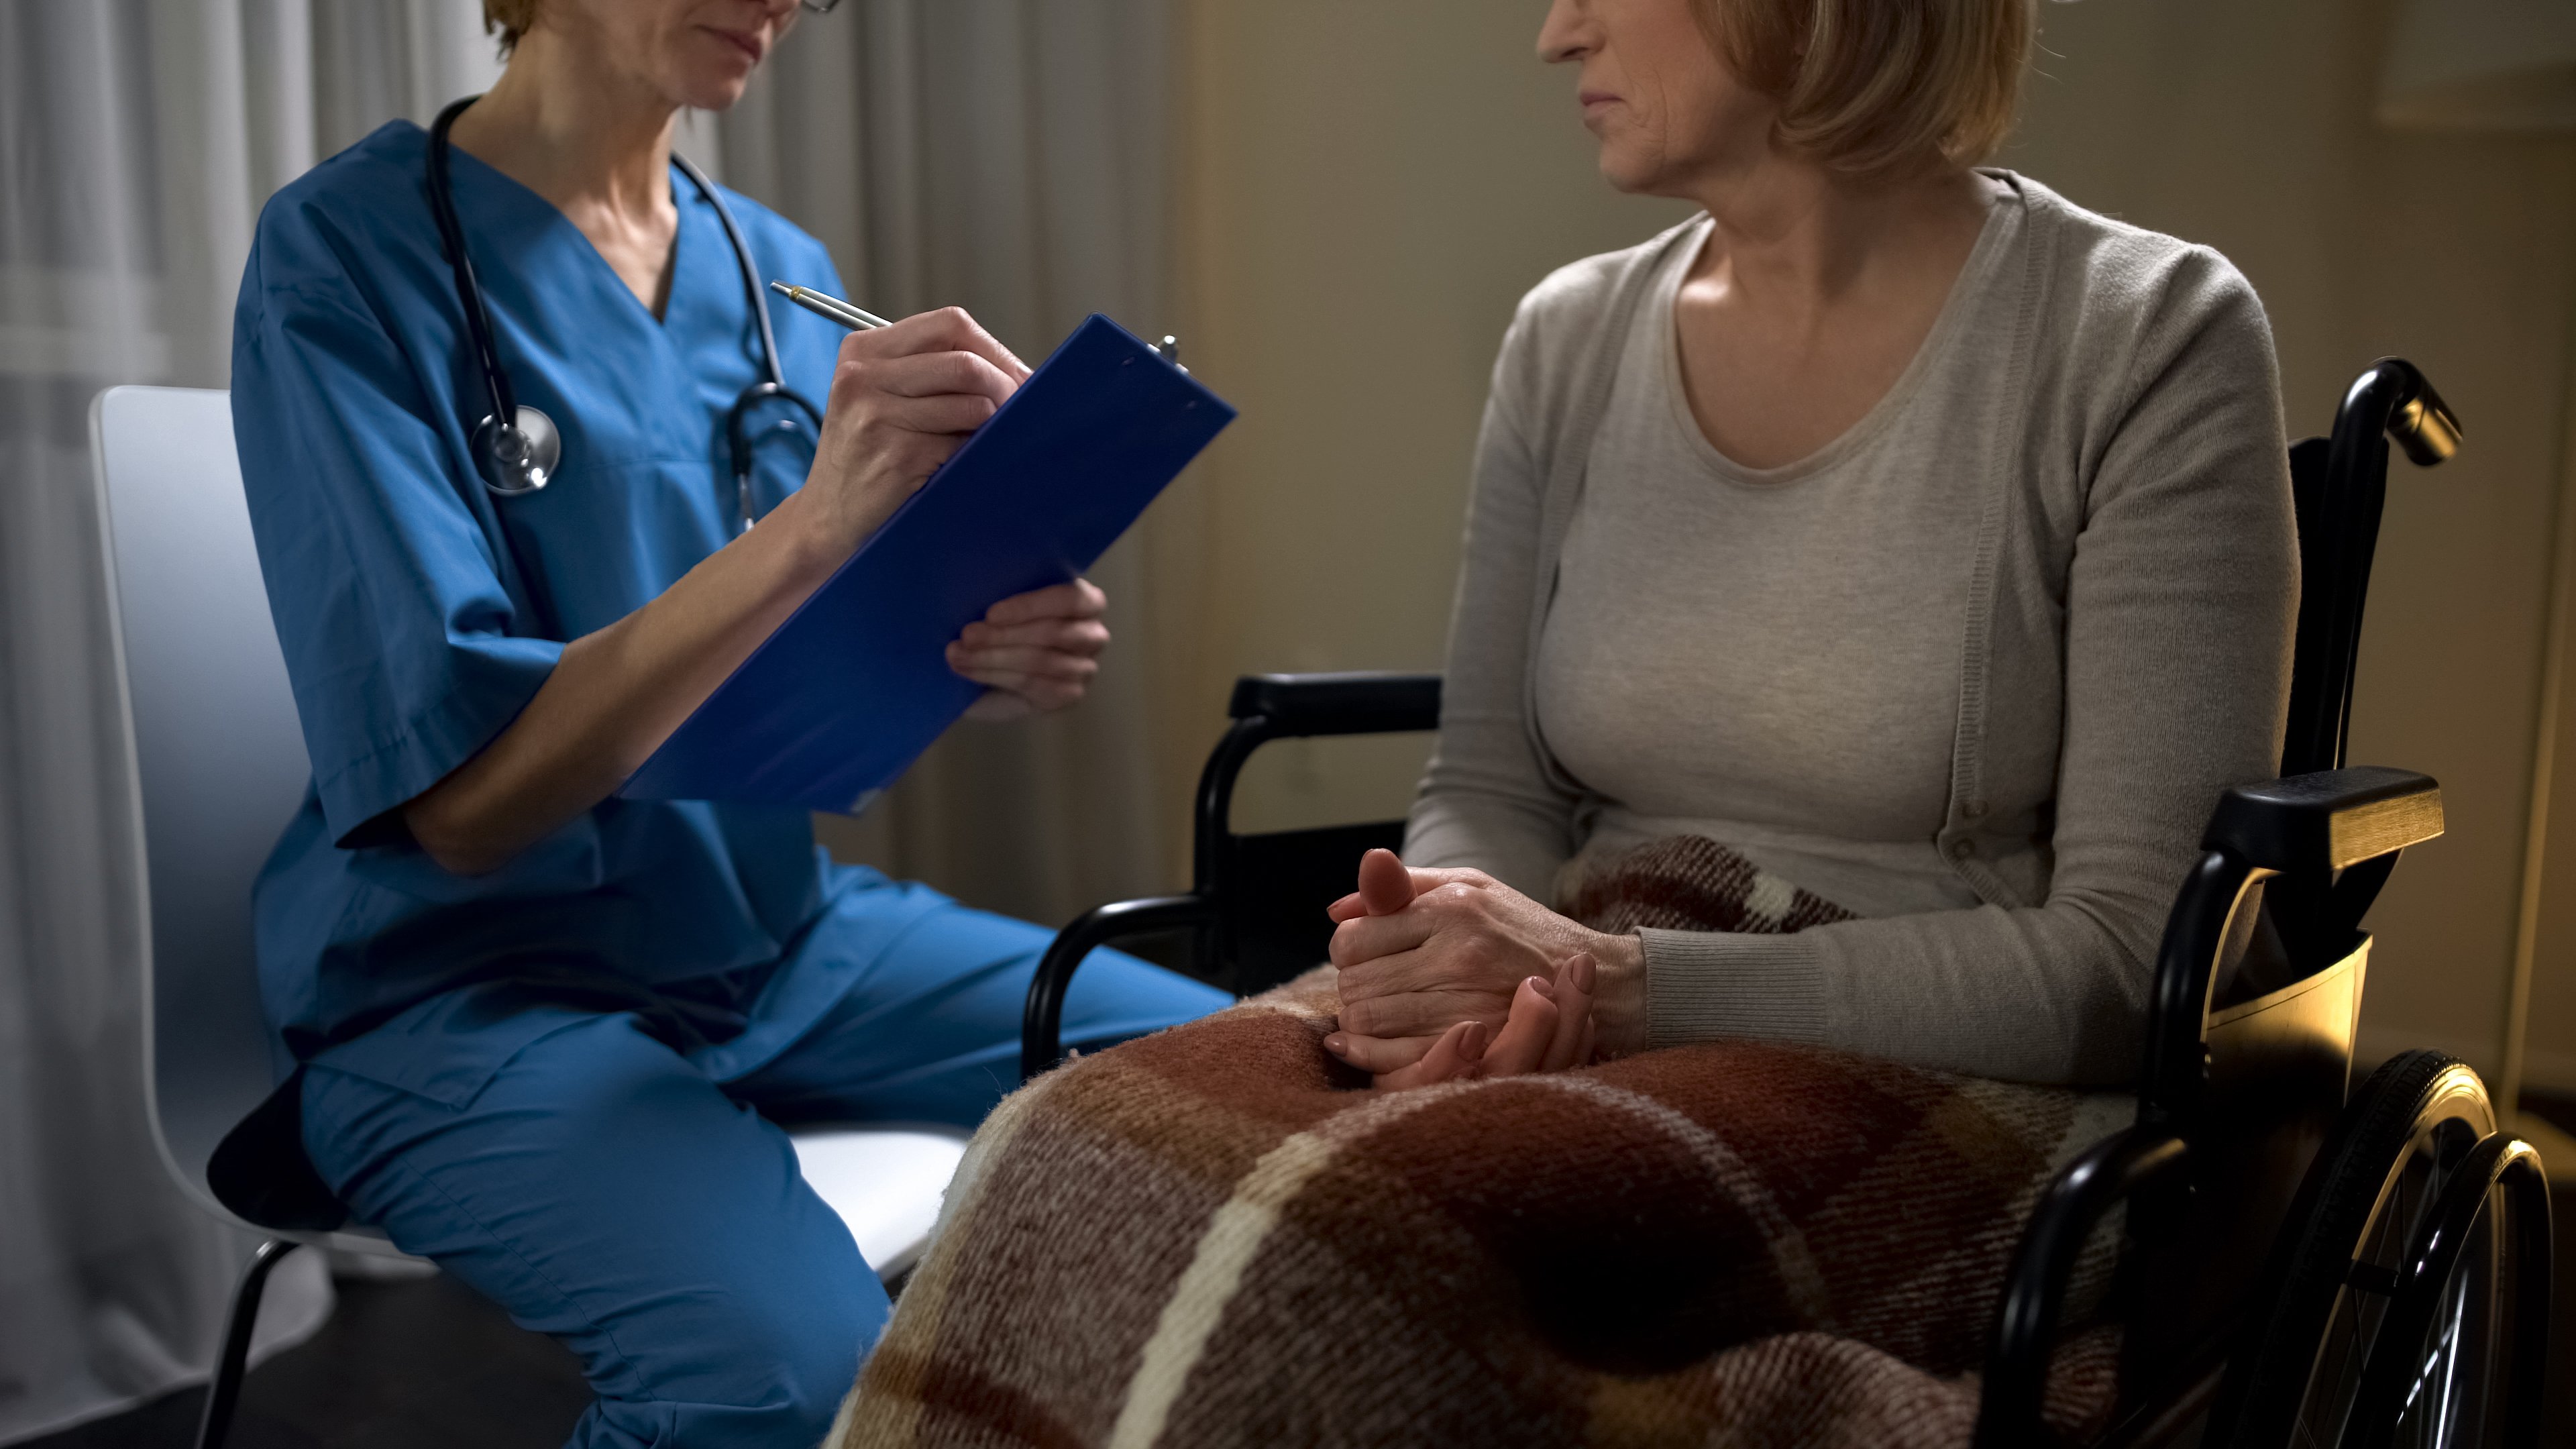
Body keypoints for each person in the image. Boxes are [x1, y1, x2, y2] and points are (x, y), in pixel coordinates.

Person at [227, 1, 1229, 1443]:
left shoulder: (776, 276)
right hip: (461, 987)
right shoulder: (348, 252)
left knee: (1254, 1093)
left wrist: (976, 653)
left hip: (770, 935)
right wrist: (816, 527)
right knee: (786, 1376)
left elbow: (797, 665)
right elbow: (460, 812)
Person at [1320, 0, 2294, 1092]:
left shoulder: (2146, 334)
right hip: (1565, 1006)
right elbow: (1489, 790)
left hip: (1928, 1066)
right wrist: (1449, 990)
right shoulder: (1567, 337)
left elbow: (2137, 958)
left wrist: (1623, 990)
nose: (1558, 35)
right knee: (1155, 1134)